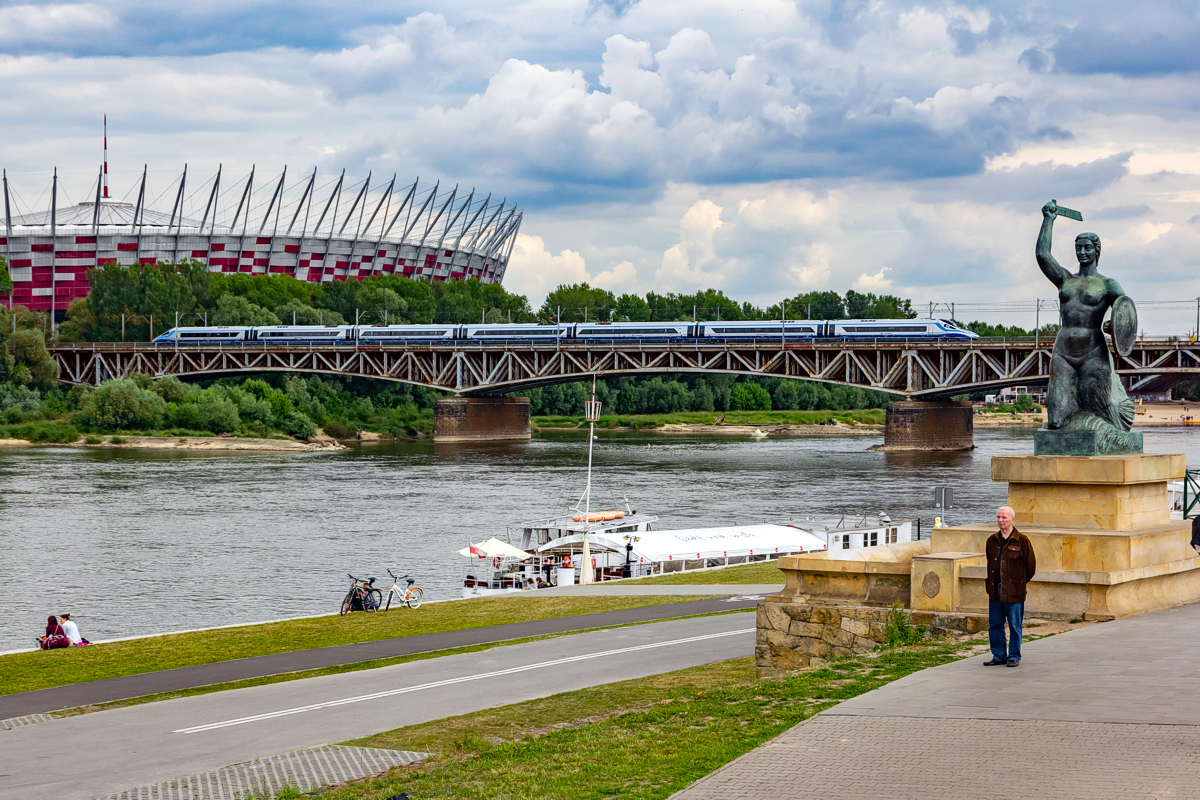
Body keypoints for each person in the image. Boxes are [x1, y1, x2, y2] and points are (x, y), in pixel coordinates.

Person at [985, 507, 1037, 667]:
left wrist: (1018, 583)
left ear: (1012, 519)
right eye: (998, 517)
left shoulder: (1022, 541)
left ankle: (1014, 655)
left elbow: (1031, 567)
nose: (1000, 520)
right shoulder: (991, 540)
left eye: (1004, 517)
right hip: (995, 590)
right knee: (995, 625)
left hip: (1014, 592)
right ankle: (998, 654)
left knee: (1015, 625)